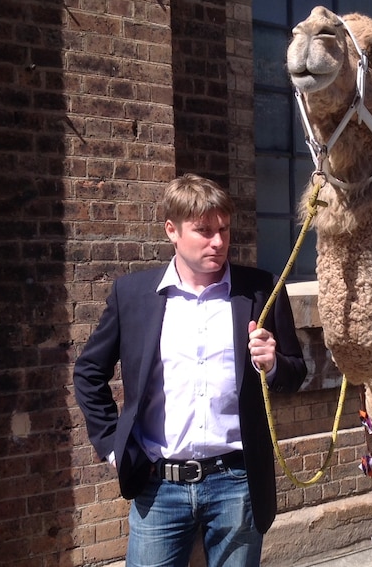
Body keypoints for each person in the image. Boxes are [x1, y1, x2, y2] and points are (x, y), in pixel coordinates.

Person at [73, 173, 307, 567]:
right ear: (172, 230)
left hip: (236, 482)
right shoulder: (133, 295)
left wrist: (272, 365)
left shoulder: (260, 290)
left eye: (224, 230)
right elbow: (89, 372)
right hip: (159, 487)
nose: (218, 242)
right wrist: (113, 444)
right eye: (203, 231)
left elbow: (295, 374)